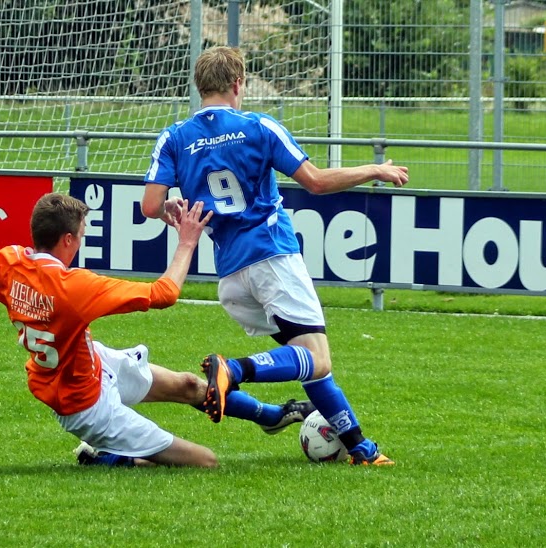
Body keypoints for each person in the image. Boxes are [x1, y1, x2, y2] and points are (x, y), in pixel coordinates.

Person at [0, 192, 307, 469]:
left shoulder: (9, 264)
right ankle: (112, 455)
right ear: (69, 240)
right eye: (83, 232)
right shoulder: (73, 287)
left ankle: (272, 417)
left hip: (93, 364)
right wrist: (187, 240)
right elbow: (165, 292)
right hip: (86, 406)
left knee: (192, 385)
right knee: (205, 462)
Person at [142, 46, 409, 466]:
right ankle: (234, 370)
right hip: (272, 257)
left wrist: (169, 209)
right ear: (237, 84)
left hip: (230, 276)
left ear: (199, 87)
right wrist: (374, 170)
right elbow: (317, 182)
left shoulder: (174, 137)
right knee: (315, 357)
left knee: (306, 359)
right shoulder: (259, 127)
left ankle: (360, 448)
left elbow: (150, 204)